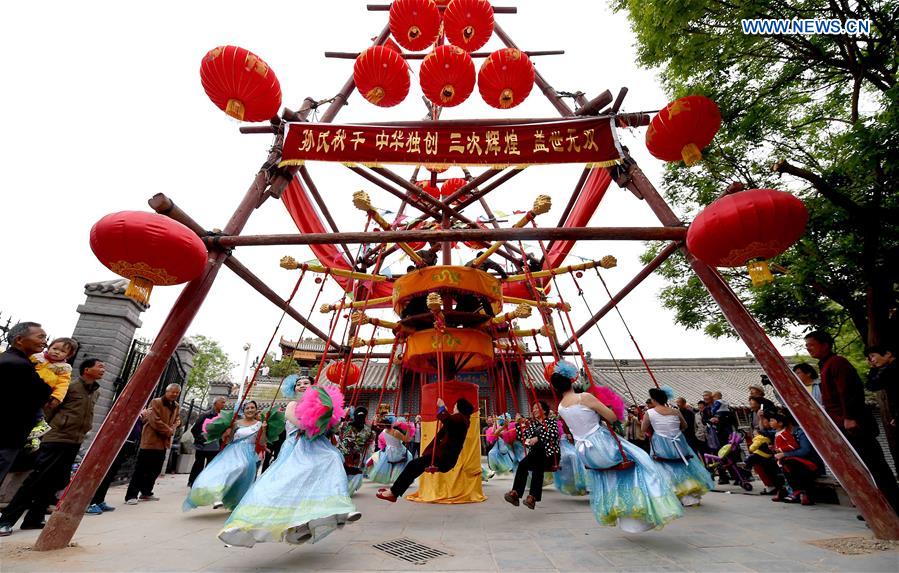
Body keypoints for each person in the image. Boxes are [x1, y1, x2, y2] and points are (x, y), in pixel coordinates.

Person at [218, 380, 361, 547]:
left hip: (318, 445)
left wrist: (329, 419)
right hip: (296, 447)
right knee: (284, 484)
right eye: (298, 383)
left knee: (333, 460)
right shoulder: (292, 404)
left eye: (306, 382)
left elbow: (330, 426)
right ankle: (245, 524)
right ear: (294, 388)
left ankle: (340, 510)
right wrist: (314, 425)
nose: (302, 385)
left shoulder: (322, 404)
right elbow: (296, 422)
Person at [554, 361, 683, 532]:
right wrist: (609, 406)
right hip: (601, 443)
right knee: (642, 461)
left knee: (610, 477)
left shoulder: (561, 406)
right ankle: (644, 511)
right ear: (572, 380)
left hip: (584, 451)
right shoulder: (584, 397)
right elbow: (613, 417)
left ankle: (621, 512)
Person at [0, 358, 104, 535]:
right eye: (100, 366)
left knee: (55, 481)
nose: (103, 370)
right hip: (56, 438)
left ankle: (34, 518)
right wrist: (43, 433)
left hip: (74, 440)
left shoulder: (95, 392)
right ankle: (6, 520)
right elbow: (50, 410)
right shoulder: (70, 387)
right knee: (36, 479)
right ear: (87, 370)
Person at [805, 330, 899, 513]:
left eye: (811, 345)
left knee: (874, 465)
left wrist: (850, 417)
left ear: (825, 345)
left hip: (853, 423)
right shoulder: (826, 365)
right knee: (862, 467)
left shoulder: (837, 363)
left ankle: (893, 506)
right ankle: (878, 508)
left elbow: (849, 391)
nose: (808, 349)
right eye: (807, 346)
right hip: (842, 423)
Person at [375, 397, 474, 502]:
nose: (453, 408)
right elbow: (449, 423)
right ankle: (394, 492)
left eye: (455, 406)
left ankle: (393, 493)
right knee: (414, 467)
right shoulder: (463, 420)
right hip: (444, 457)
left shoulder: (460, 418)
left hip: (442, 457)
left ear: (459, 407)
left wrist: (441, 407)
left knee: (412, 466)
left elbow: (448, 420)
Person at [184, 400, 266, 511]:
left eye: (252, 407)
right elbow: (229, 439)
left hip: (248, 452)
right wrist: (225, 434)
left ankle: (233, 500)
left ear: (256, 410)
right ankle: (217, 495)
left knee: (240, 470)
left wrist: (264, 430)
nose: (250, 410)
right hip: (231, 451)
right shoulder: (236, 423)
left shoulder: (259, 424)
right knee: (223, 471)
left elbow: (261, 442)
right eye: (247, 408)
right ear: (243, 410)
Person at [0, 322, 52, 488]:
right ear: (20, 340)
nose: (45, 342)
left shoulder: (11, 360)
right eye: (40, 337)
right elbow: (42, 394)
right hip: (7, 435)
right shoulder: (17, 365)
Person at [643, 388, 714, 507]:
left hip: (661, 444)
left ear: (654, 400)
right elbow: (684, 425)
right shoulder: (675, 411)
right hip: (679, 442)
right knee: (683, 466)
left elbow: (644, 429)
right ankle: (689, 497)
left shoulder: (649, 413)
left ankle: (671, 496)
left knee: (664, 467)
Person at [125, 383, 182, 504]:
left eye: (177, 392)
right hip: (150, 440)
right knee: (141, 469)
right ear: (167, 391)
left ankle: (146, 492)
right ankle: (131, 495)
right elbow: (154, 420)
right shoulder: (156, 402)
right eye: (173, 392)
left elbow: (177, 419)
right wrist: (170, 430)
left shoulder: (176, 405)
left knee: (155, 470)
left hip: (163, 443)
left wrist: (176, 425)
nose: (175, 394)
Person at [504, 401, 560, 510]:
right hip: (535, 454)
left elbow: (554, 434)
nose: (533, 410)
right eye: (533, 408)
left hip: (549, 454)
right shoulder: (533, 424)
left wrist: (538, 438)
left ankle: (532, 497)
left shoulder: (551, 422)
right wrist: (518, 424)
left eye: (536, 408)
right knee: (523, 464)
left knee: (537, 465)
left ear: (543, 410)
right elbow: (524, 438)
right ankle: (516, 493)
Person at [26, 337, 79, 451]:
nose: (57, 352)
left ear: (68, 356)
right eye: (55, 348)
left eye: (62, 351)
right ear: (49, 347)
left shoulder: (63, 368)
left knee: (36, 412)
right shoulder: (36, 357)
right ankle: (33, 435)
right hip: (28, 388)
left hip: (42, 393)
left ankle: (36, 432)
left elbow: (63, 384)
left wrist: (57, 397)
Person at [768, 410, 824, 505]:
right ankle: (786, 490)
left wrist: (784, 454)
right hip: (795, 462)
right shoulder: (782, 432)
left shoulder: (799, 432)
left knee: (792, 464)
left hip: (810, 463)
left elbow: (804, 451)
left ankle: (805, 494)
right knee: (772, 463)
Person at [866, 345, 898, 478]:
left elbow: (873, 385)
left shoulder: (892, 370)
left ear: (888, 353)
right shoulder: (889, 369)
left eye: (873, 356)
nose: (871, 360)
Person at [187, 397, 227, 487]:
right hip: (202, 445)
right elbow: (195, 429)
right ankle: (192, 482)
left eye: (224, 403)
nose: (224, 404)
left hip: (215, 446)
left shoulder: (223, 417)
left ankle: (205, 483)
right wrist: (201, 439)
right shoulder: (205, 415)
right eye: (222, 402)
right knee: (198, 465)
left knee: (210, 466)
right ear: (215, 403)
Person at [337, 406, 374, 495]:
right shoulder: (369, 431)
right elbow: (368, 445)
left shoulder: (344, 425)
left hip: (343, 454)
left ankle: (340, 490)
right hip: (356, 457)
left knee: (342, 472)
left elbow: (338, 435)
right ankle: (347, 490)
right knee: (353, 473)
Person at [369, 416, 412, 484]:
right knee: (409, 456)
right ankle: (401, 477)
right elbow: (406, 439)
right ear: (392, 423)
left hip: (389, 451)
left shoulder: (384, 431)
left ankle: (395, 475)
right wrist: (408, 429)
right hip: (398, 452)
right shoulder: (395, 432)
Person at [553, 418, 589, 496]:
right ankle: (577, 483)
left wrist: (568, 435)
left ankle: (583, 482)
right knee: (572, 456)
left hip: (568, 445)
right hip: (559, 448)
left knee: (578, 456)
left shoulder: (565, 422)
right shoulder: (552, 424)